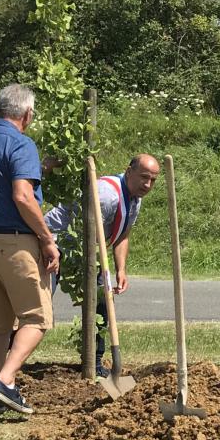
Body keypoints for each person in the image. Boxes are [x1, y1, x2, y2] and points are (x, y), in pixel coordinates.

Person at [0, 84, 59, 416]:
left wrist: (41, 169)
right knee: (37, 317)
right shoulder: (22, 143)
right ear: (28, 114)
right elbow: (22, 196)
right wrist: (47, 239)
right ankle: (5, 381)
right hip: (14, 242)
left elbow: (0, 180)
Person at [43, 154, 161, 375]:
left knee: (102, 304)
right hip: (56, 242)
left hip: (89, 249)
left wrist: (121, 270)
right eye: (144, 177)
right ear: (129, 171)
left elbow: (123, 234)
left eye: (153, 180)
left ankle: (94, 363)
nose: (148, 184)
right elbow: (80, 231)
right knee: (37, 305)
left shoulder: (135, 198)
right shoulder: (106, 195)